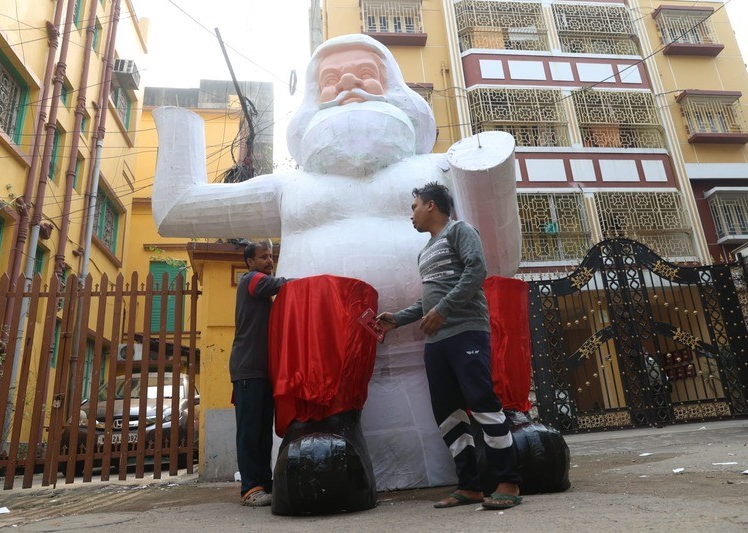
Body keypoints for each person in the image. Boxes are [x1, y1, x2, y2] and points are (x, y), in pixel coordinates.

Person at [152, 33, 521, 491]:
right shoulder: (290, 185)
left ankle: (506, 452)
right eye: (329, 79)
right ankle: (329, 439)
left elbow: (499, 260)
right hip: (330, 379)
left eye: (367, 73)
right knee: (326, 459)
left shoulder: (438, 168)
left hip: (438, 344)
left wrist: (491, 169)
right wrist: (179, 124)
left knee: (474, 400)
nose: (348, 82)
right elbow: (176, 209)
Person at [377, 182, 523, 510]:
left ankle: (508, 482)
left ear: (431, 205)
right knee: (448, 415)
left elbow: (476, 271)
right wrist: (398, 318)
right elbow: (430, 299)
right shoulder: (425, 251)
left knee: (483, 405)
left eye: (414, 206)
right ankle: (469, 486)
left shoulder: (460, 231)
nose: (411, 214)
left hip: (466, 332)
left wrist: (442, 310)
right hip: (437, 341)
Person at [230, 241, 290, 507]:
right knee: (250, 431)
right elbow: (278, 284)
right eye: (263, 257)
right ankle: (250, 488)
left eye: (270, 256)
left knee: (263, 432)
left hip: (262, 372)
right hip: (249, 369)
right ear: (250, 262)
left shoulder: (261, 290)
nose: (269, 261)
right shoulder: (251, 281)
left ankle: (264, 484)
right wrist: (307, 280)